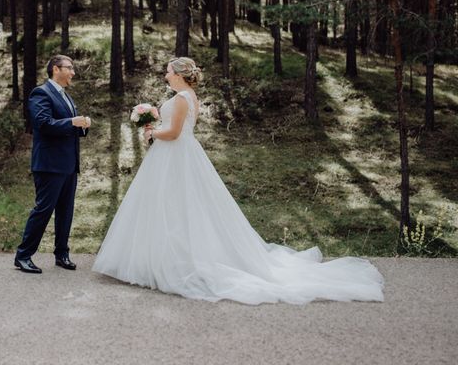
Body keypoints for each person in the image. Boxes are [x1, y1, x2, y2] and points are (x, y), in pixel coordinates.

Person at [93, 57, 384, 304]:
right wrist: (155, 128)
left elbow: (174, 133)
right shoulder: (185, 97)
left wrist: (152, 132)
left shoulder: (182, 99)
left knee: (176, 206)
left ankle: (169, 262)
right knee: (171, 206)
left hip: (176, 154)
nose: (165, 75)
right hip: (174, 156)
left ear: (180, 74)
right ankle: (157, 259)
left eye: (169, 71)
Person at [14, 55, 91, 274]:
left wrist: (83, 126)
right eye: (70, 68)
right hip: (49, 165)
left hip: (68, 164)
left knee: (66, 211)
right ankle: (23, 256)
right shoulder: (41, 93)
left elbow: (68, 127)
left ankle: (62, 254)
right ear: (56, 69)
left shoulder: (65, 96)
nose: (73, 73)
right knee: (43, 210)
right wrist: (72, 122)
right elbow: (43, 123)